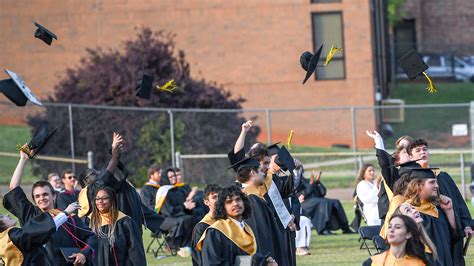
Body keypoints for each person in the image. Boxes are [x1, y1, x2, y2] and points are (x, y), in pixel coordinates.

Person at [3, 147, 97, 266]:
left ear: (54, 195)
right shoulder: (30, 215)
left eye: (45, 194)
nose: (42, 198)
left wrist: (84, 254)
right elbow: (14, 188)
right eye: (37, 196)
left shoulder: (69, 217)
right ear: (34, 200)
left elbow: (91, 237)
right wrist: (23, 159)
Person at [77, 132, 163, 236]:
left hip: (129, 228)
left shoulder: (108, 189)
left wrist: (165, 224)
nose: (98, 173)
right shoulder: (88, 192)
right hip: (110, 233)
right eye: (93, 173)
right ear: (86, 180)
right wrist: (114, 155)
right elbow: (107, 175)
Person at [407, 139, 471, 265]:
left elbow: (458, 202)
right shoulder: (408, 179)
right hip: (428, 228)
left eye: (425, 149)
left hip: (451, 228)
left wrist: (467, 224)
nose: (422, 152)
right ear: (410, 156)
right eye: (418, 150)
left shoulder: (443, 176)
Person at [197, 185, 277, 266]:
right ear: (222, 206)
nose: (235, 204)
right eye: (229, 202)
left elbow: (247, 259)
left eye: (238, 199)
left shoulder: (247, 228)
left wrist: (264, 262)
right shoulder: (215, 232)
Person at [403, 167, 461, 266]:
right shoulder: (408, 212)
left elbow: (454, 237)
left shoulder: (438, 210)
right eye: (432, 182)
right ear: (418, 186)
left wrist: (449, 211)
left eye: (436, 182)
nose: (437, 186)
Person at [0, 203, 80, 266]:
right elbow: (41, 229)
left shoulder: (2, 242)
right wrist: (65, 213)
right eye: (1, 216)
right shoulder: (12, 236)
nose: (7, 215)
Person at [89, 186, 146, 265]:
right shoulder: (89, 221)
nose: (100, 201)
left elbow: (135, 252)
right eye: (97, 199)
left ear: (112, 200)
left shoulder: (125, 222)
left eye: (104, 198)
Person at [366, 131, 412, 222]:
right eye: (401, 148)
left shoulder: (420, 171)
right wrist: (379, 141)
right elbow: (384, 161)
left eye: (408, 147)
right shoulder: (393, 171)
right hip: (392, 214)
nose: (405, 151)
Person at [155, 167, 199, 257]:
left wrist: (189, 206)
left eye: (174, 176)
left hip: (178, 215)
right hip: (165, 219)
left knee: (195, 215)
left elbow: (184, 204)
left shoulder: (178, 189)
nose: (174, 178)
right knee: (185, 219)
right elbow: (168, 210)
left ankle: (192, 244)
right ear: (166, 178)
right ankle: (175, 244)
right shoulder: (163, 191)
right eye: (170, 177)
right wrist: (184, 207)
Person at [299, 170, 354, 235]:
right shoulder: (296, 183)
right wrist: (311, 184)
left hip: (317, 201)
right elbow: (304, 195)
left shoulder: (308, 181)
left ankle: (345, 228)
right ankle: (323, 229)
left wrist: (318, 182)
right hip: (304, 203)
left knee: (336, 202)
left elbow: (323, 192)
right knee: (323, 202)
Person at [191, 184, 221, 266]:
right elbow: (199, 259)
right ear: (206, 202)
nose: (219, 200)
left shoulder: (229, 221)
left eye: (220, 196)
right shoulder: (201, 227)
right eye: (214, 197)